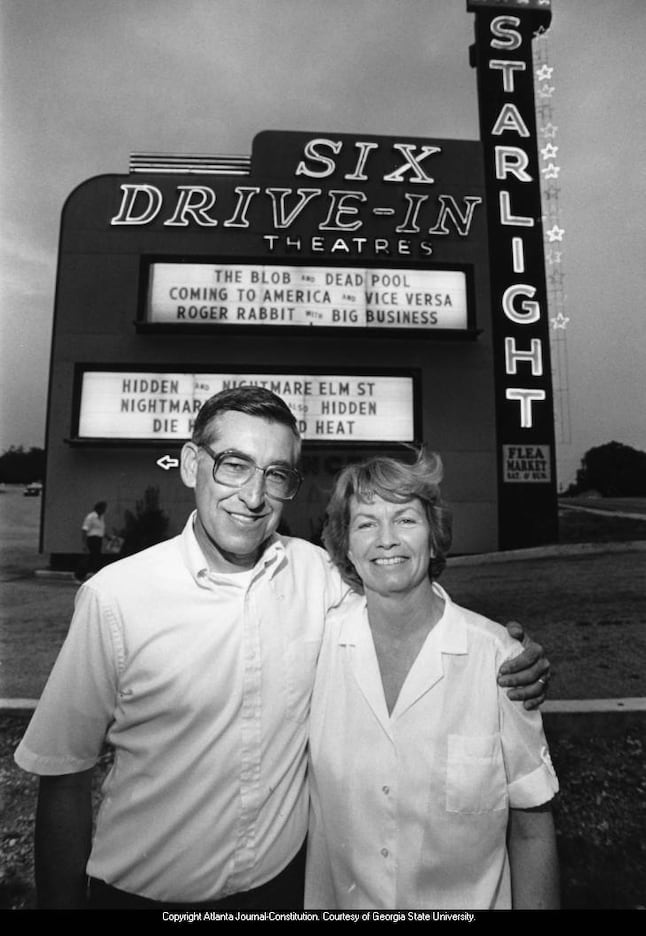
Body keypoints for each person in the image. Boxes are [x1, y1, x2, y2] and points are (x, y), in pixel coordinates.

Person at [14, 387, 550, 910]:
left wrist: (504, 650)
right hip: (141, 897)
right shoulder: (115, 598)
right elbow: (63, 773)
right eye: (234, 465)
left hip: (281, 892)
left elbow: (400, 588)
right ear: (189, 464)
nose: (253, 496)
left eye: (276, 474)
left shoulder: (315, 573)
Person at [305, 450, 560, 910]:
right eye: (365, 524)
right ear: (345, 546)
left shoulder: (498, 657)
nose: (386, 540)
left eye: (405, 520)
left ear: (435, 537)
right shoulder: (317, 649)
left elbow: (532, 829)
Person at [75, 501, 107, 581]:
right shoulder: (91, 517)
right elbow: (84, 530)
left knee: (96, 557)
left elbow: (100, 529)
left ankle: (92, 575)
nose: (104, 510)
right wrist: (84, 544)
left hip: (98, 540)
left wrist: (107, 536)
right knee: (89, 558)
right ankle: (79, 575)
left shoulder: (101, 517)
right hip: (92, 539)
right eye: (103, 508)